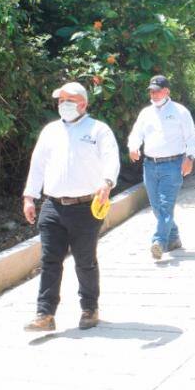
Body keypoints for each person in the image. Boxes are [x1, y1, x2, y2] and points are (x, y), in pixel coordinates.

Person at [21, 81, 120, 332]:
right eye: (59, 101)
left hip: (86, 207)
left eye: (67, 100)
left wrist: (107, 183)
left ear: (83, 104)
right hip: (53, 206)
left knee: (84, 261)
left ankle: (89, 307)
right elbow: (37, 165)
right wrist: (29, 197)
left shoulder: (99, 130)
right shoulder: (50, 131)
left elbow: (111, 160)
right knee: (49, 260)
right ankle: (45, 314)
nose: (62, 105)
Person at [127, 75, 195, 259]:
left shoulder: (180, 111)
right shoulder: (146, 113)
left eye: (158, 90)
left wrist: (190, 157)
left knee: (166, 206)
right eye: (151, 91)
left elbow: (191, 137)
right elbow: (137, 133)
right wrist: (133, 146)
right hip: (150, 165)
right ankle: (173, 238)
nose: (154, 94)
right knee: (157, 207)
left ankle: (158, 241)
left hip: (173, 165)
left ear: (167, 91)